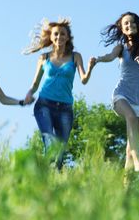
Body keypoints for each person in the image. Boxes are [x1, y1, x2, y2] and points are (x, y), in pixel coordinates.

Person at [23, 18, 95, 168]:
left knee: (60, 151)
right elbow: (35, 83)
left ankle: (55, 179)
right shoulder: (44, 58)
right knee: (50, 142)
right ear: (50, 37)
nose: (59, 37)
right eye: (56, 34)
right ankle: (46, 174)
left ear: (67, 37)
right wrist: (29, 93)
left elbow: (84, 79)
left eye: (63, 34)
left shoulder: (76, 56)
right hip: (44, 105)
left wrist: (90, 68)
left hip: (65, 108)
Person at [91, 12, 139, 172]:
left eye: (132, 23)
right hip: (121, 94)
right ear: (122, 28)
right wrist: (98, 59)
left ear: (138, 26)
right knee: (131, 117)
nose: (129, 25)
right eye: (126, 23)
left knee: (130, 149)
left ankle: (126, 190)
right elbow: (110, 56)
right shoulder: (121, 48)